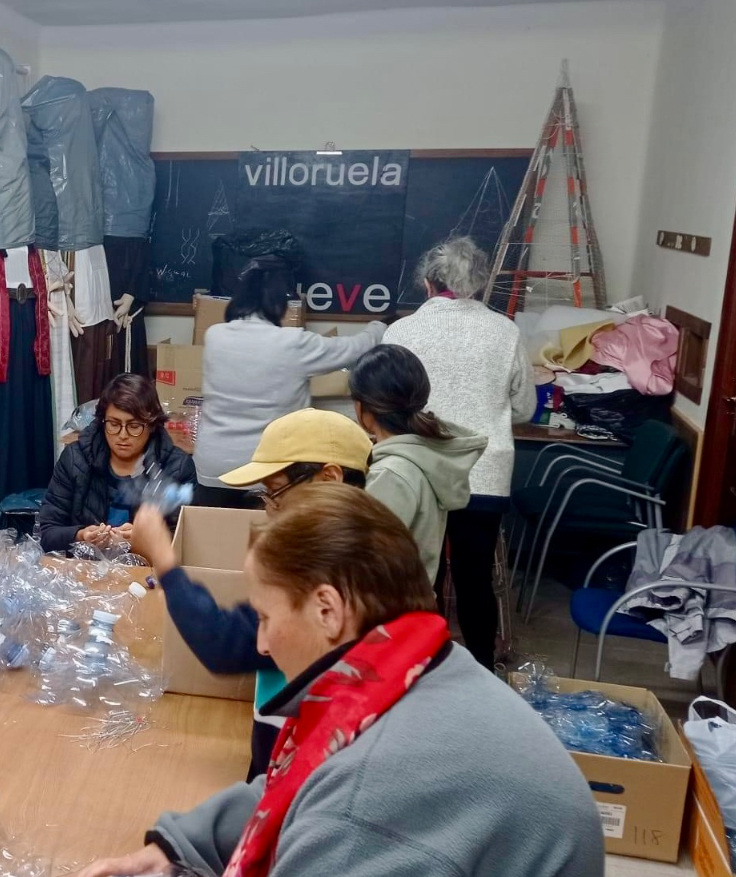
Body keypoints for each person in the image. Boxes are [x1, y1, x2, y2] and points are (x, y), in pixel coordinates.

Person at [73, 484, 606, 877]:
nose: (259, 644)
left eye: (263, 616)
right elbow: (307, 787)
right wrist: (182, 846)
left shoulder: (388, 787)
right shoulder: (418, 671)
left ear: (327, 610)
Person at [129, 408, 372, 780]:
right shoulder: (342, 551)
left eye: (275, 493)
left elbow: (226, 644)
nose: (270, 511)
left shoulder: (336, 573)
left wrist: (164, 559)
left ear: (330, 478)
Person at [383, 237, 535, 668]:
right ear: (478, 284)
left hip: (420, 473)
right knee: (475, 579)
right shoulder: (505, 331)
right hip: (483, 475)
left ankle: (418, 667)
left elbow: (389, 403)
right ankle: (481, 668)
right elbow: (523, 407)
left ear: (428, 283)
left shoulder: (402, 331)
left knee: (421, 577)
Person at [193, 260, 384, 507]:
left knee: (213, 541)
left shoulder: (215, 336)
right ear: (278, 304)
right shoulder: (293, 343)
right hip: (270, 469)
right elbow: (354, 349)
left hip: (213, 464)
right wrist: (378, 326)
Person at [350, 344, 487, 581]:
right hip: (412, 598)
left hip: (387, 607)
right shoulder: (425, 455)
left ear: (362, 407)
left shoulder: (391, 474)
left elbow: (366, 565)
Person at [38, 372, 195, 553]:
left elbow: (187, 545)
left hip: (148, 574)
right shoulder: (75, 459)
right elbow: (48, 533)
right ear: (102, 421)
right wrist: (80, 536)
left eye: (134, 426)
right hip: (85, 571)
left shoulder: (177, 468)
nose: (122, 435)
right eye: (113, 424)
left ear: (152, 425)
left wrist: (144, 540)